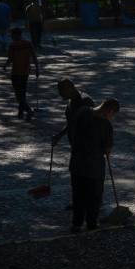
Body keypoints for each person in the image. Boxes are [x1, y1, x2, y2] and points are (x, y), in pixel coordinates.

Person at [70, 98, 120, 232]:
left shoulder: (83, 112)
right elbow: (107, 149)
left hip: (77, 164)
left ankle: (77, 224)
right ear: (109, 111)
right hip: (94, 167)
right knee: (94, 196)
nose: (112, 117)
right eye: (113, 114)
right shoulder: (106, 125)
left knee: (78, 195)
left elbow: (72, 132)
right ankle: (91, 223)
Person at [53, 79, 95, 211]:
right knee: (76, 176)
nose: (60, 95)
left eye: (62, 92)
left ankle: (89, 201)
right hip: (76, 145)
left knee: (86, 175)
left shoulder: (85, 102)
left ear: (70, 88)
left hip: (87, 147)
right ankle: (78, 201)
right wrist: (59, 135)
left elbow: (95, 124)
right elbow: (71, 123)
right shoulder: (71, 102)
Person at [3, 27, 39, 119]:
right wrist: (37, 68)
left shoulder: (13, 45)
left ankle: (28, 110)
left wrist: (5, 65)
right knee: (22, 93)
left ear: (16, 35)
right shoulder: (28, 44)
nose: (11, 37)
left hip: (16, 72)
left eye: (12, 35)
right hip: (25, 72)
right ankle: (21, 112)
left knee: (19, 94)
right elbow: (34, 56)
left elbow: (10, 58)